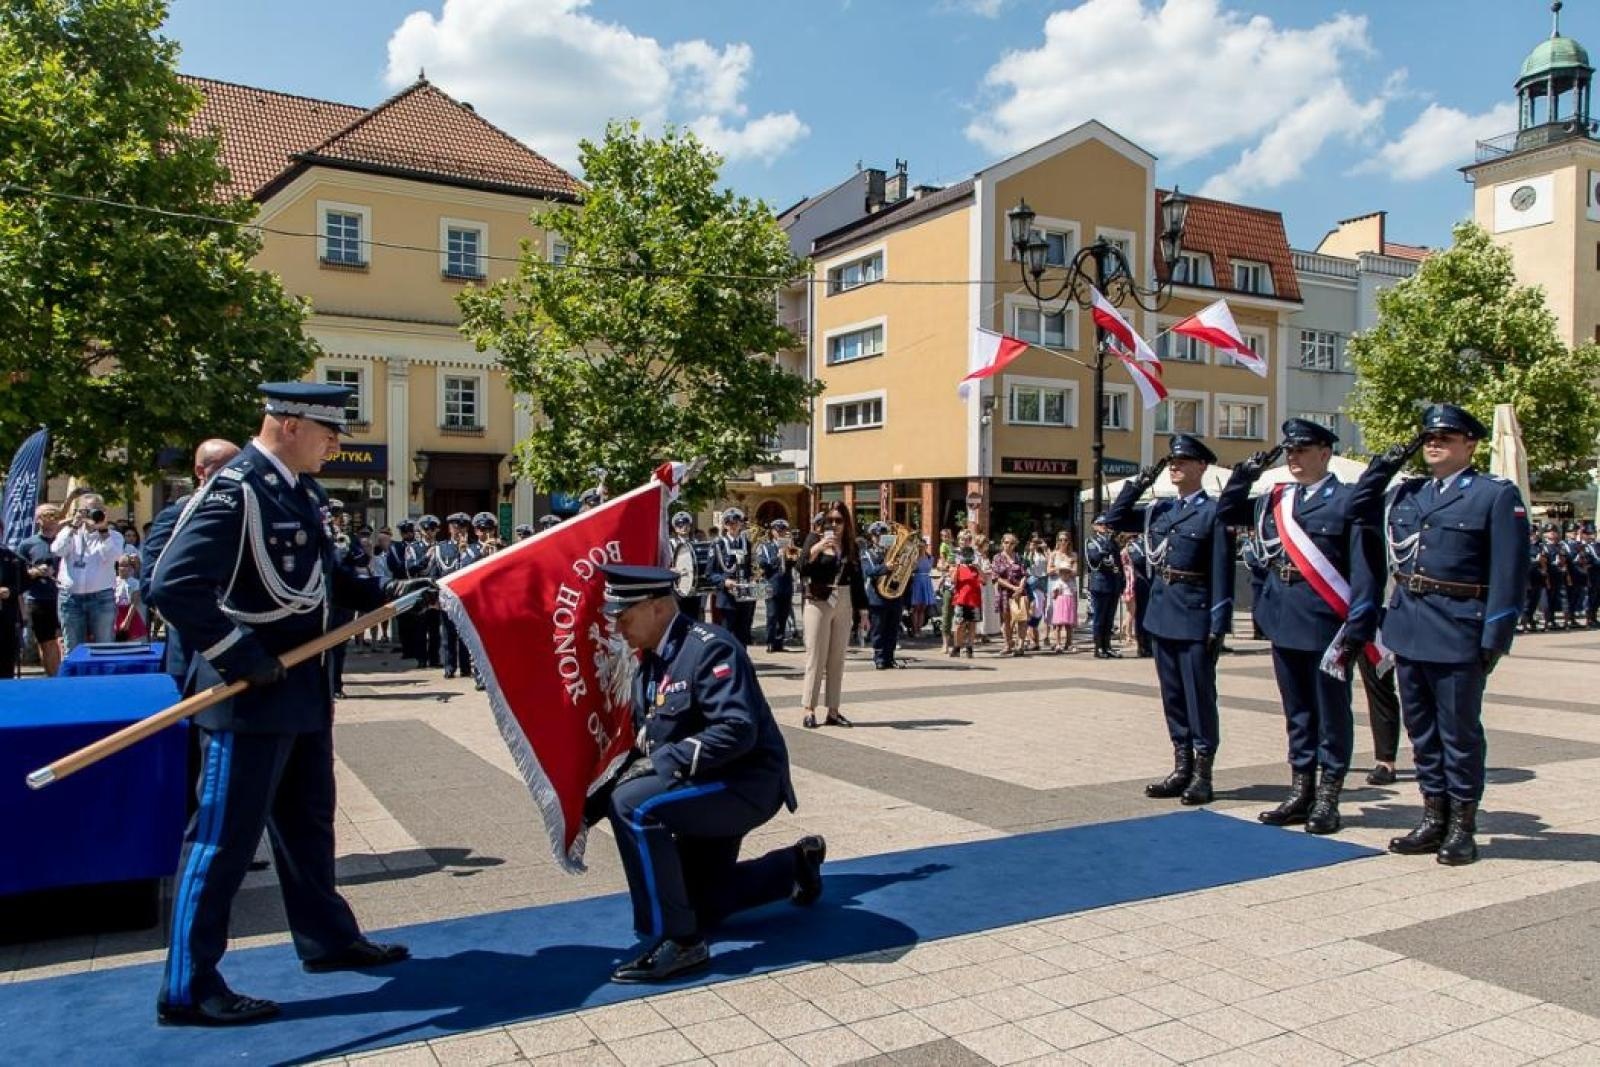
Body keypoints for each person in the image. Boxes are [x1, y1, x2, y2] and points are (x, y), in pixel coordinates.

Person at [148, 383, 431, 1026]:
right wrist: (242, 656)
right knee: (222, 840)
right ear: (288, 424)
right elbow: (171, 584)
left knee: (309, 825)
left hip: (301, 688)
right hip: (246, 697)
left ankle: (326, 938)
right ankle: (188, 985)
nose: (336, 444)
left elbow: (327, 575)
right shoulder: (237, 487)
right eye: (328, 431)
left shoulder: (300, 492)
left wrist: (398, 591)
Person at [591, 564, 823, 983]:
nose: (617, 626)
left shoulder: (710, 648)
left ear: (658, 607)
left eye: (624, 615)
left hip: (745, 783)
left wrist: (660, 765)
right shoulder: (651, 663)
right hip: (704, 783)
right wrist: (586, 808)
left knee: (633, 806)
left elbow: (737, 730)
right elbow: (647, 741)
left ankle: (680, 943)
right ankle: (794, 866)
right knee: (700, 901)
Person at [1350, 403, 1529, 866]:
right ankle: (1433, 816)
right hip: (1409, 627)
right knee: (1422, 732)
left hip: (1458, 629)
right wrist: (1384, 464)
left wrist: (1494, 637)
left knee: (1459, 733)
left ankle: (1462, 826)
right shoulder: (1407, 493)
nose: (1434, 443)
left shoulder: (1494, 494)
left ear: (1470, 444)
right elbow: (1356, 508)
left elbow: (1510, 573)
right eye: (1428, 437)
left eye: (1445, 438)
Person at [1220, 420, 1379, 835]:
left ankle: (1328, 795)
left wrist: (1359, 622)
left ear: (1325, 453)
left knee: (1331, 711)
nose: (1293, 457)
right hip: (1284, 616)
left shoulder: (1347, 499)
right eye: (1289, 451)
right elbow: (1226, 512)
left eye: (1302, 450)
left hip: (1328, 622)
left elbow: (1364, 567)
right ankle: (1300, 788)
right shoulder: (1274, 499)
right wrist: (1245, 474)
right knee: (1298, 712)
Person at [1102, 434, 1241, 806]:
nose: (1175, 466)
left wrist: (1218, 623)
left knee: (1199, 696)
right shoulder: (1159, 510)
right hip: (1162, 614)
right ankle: (1181, 766)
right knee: (1174, 697)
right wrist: (1140, 483)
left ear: (1201, 467)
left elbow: (1221, 572)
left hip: (1195, 615)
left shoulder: (1213, 513)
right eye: (1171, 462)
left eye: (1183, 461)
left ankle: (1203, 773)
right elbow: (1111, 520)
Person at [798, 503, 867, 727]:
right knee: (816, 657)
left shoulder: (851, 546)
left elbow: (857, 580)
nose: (834, 525)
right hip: (819, 599)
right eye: (831, 520)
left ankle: (833, 711)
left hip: (844, 598)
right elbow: (800, 568)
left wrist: (863, 611)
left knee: (837, 658)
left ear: (846, 523)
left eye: (839, 520)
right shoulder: (813, 539)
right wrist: (817, 549)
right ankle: (809, 709)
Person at [52, 490, 125, 649]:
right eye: (87, 510)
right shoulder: (69, 532)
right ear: (79, 511)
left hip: (102, 597)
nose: (92, 514)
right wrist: (73, 525)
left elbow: (114, 556)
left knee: (104, 647)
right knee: (72, 648)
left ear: (104, 512)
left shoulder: (113, 536)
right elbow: (57, 550)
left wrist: (103, 530)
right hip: (71, 599)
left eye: (96, 510)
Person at [17, 504, 64, 675]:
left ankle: (66, 678)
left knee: (64, 641)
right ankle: (53, 680)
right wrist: (36, 571)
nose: (52, 518)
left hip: (66, 598)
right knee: (47, 642)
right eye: (47, 515)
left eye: (55, 515)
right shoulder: (28, 544)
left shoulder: (65, 540)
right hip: (39, 600)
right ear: (38, 520)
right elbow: (18, 575)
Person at [430, 513, 475, 678]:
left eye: (462, 527)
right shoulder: (441, 548)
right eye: (456, 527)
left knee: (465, 635)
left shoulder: (474, 547)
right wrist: (435, 595)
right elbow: (436, 572)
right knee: (448, 634)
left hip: (466, 599)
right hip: (448, 597)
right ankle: (449, 667)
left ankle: (465, 668)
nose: (459, 531)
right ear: (449, 528)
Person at [860, 521, 907, 669]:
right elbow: (869, 572)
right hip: (877, 597)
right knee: (878, 630)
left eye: (883, 534)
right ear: (872, 537)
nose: (879, 537)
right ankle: (879, 658)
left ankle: (890, 657)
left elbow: (904, 570)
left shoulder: (894, 552)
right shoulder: (867, 553)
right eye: (876, 535)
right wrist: (885, 567)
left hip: (894, 595)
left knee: (892, 629)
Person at [708, 509, 756, 646]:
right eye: (729, 523)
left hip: (744, 597)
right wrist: (724, 581)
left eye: (736, 523)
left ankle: (740, 665)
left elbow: (748, 568)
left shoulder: (746, 543)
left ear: (741, 524)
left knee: (743, 637)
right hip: (726, 599)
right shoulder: (718, 544)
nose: (733, 526)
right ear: (724, 525)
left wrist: (752, 578)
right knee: (726, 638)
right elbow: (710, 574)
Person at [755, 519, 797, 652]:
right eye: (778, 531)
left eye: (783, 530)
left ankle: (779, 643)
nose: (780, 533)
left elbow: (795, 563)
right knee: (772, 615)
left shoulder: (789, 546)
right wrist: (778, 557)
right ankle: (770, 642)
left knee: (783, 615)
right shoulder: (766, 547)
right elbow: (763, 565)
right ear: (772, 532)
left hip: (786, 584)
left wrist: (790, 550)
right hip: (771, 584)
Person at [1085, 517, 1123, 659]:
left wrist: (1122, 580)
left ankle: (1108, 646)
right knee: (1099, 618)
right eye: (1101, 524)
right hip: (1100, 583)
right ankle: (1099, 647)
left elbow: (1118, 562)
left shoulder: (1112, 541)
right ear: (1094, 526)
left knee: (1109, 618)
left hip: (1113, 583)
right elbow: (1093, 559)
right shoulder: (1091, 541)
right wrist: (1107, 544)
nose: (1104, 527)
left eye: (1106, 524)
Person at [990, 533, 1027, 656]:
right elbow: (996, 577)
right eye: (1006, 542)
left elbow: (1024, 574)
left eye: (1011, 543)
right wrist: (1012, 587)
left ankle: (1020, 645)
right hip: (1004, 592)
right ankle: (1008, 644)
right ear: (1002, 543)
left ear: (1015, 544)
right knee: (1006, 620)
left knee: (1021, 619)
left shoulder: (1019, 557)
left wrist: (1020, 588)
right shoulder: (997, 558)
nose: (1008, 545)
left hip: (1019, 593)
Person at [949, 536, 984, 658]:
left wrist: (978, 567)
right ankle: (957, 647)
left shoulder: (975, 568)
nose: (967, 557)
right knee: (959, 624)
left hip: (974, 599)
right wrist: (958, 565)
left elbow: (984, 581)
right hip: (961, 599)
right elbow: (953, 581)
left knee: (972, 624)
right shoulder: (959, 567)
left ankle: (970, 647)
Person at [668, 511, 705, 622]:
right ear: (675, 528)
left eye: (686, 524)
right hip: (677, 588)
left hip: (694, 588)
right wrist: (671, 570)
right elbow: (664, 564)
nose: (683, 527)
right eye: (680, 525)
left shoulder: (696, 543)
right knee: (678, 619)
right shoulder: (670, 544)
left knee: (694, 619)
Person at [1047, 530, 1078, 653]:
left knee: (1070, 615)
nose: (1062, 542)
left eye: (1065, 539)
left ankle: (1069, 642)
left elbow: (1075, 572)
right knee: (1056, 614)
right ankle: (1057, 642)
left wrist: (1067, 571)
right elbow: (1048, 570)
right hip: (1056, 585)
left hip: (1069, 586)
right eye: (1060, 540)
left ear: (1069, 541)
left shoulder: (1073, 555)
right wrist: (1060, 569)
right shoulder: (1054, 554)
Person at [0, 524, 20, 678]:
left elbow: (22, 582)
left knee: (7, 658)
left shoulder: (10, 556)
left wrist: (11, 591)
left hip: (6, 614)